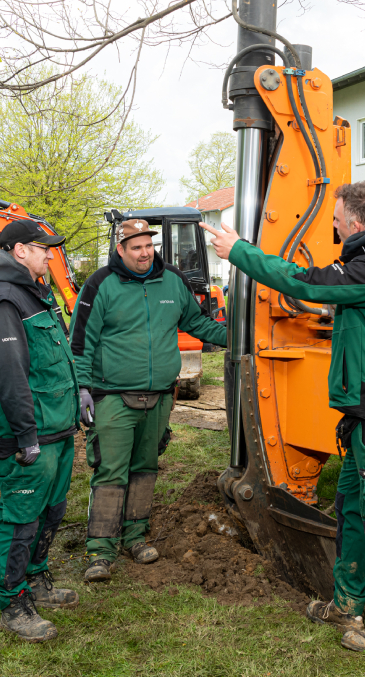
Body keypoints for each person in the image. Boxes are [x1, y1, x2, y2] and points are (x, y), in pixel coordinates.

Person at [200, 181, 365, 653]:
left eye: (337, 218)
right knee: (352, 509)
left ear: (356, 223)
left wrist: (240, 252)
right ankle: (348, 602)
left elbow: (306, 282)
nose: (333, 225)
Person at [71, 217, 227, 583]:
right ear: (121, 249)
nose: (145, 253)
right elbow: (81, 340)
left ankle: (135, 538)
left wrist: (239, 335)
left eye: (149, 246)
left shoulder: (172, 280)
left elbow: (197, 323)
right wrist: (82, 388)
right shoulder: (100, 284)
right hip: (113, 395)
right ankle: (100, 550)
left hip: (158, 396)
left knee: (145, 468)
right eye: (136, 247)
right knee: (111, 471)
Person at [0, 220, 82, 643]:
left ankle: (36, 579)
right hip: (29, 435)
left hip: (55, 426)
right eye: (43, 248)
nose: (49, 255)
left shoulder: (35, 292)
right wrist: (26, 436)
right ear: (20, 250)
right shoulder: (4, 299)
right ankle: (12, 600)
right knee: (21, 518)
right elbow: (10, 375)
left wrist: (78, 399)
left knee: (51, 511)